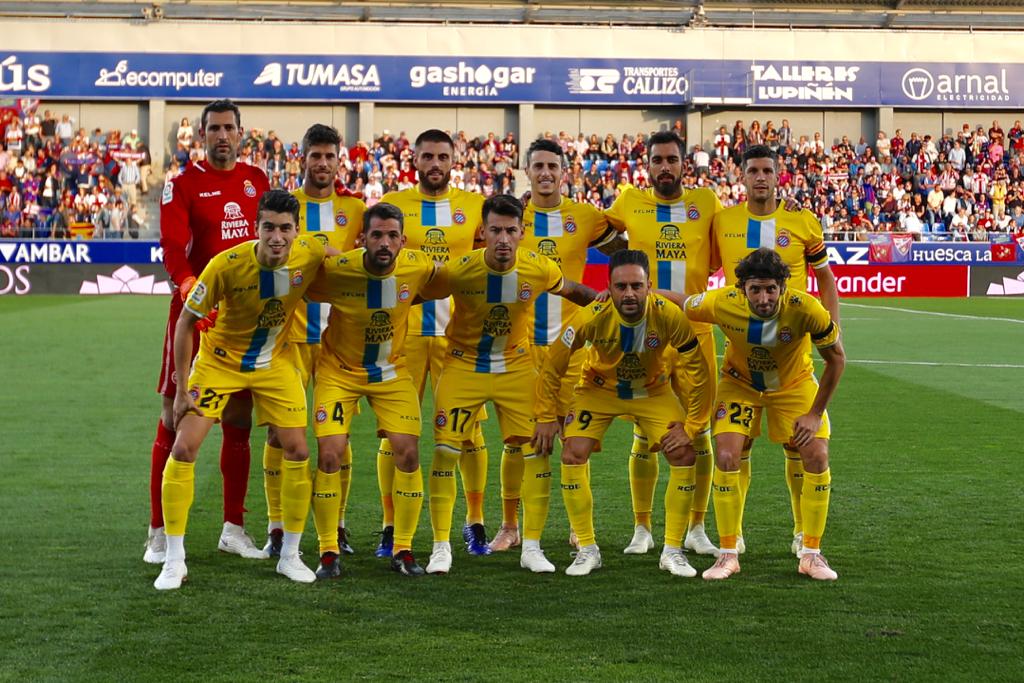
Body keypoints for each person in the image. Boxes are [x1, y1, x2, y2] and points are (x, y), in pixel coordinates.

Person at [153, 190, 328, 590]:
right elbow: (184, 322)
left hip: (274, 364)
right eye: (269, 227)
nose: (277, 237)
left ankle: (290, 556)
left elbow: (345, 260)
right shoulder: (226, 265)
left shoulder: (310, 254)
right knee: (184, 447)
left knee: (298, 450)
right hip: (219, 362)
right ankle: (175, 560)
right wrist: (180, 389)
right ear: (256, 228)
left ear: (297, 231)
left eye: (286, 228)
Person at [420, 194, 598, 574]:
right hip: (464, 366)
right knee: (446, 451)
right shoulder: (459, 270)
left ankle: (530, 545)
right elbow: (410, 293)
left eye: (511, 231)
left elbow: (575, 292)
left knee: (536, 450)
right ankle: (440, 547)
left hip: (516, 367)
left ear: (522, 233)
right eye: (495, 230)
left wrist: (609, 305)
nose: (503, 239)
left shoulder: (538, 267)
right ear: (482, 232)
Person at [533, 249, 712, 577]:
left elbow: (699, 373)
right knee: (572, 453)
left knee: (685, 452)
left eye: (636, 286)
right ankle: (587, 549)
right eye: (621, 286)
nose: (629, 293)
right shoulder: (590, 316)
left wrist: (692, 425)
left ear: (649, 286)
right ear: (608, 287)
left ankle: (672, 550)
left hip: (653, 391)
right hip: (599, 390)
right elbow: (552, 366)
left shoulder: (670, 316)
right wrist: (546, 415)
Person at [145, 99, 271, 566]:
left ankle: (233, 528)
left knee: (239, 421)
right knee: (175, 415)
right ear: (201, 135)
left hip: (245, 324)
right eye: (214, 128)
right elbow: (173, 250)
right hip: (195, 320)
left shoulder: (256, 180)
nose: (222, 135)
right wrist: (196, 295)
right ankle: (158, 531)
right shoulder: (181, 185)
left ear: (241, 133)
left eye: (229, 128)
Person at [488, 138, 624, 552]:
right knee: (519, 439)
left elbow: (623, 251)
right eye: (538, 166)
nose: (546, 173)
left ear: (565, 172)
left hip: (574, 347)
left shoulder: (585, 216)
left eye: (553, 166)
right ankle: (510, 525)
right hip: (520, 347)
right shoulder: (511, 217)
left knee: (572, 438)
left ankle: (575, 526)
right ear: (526, 171)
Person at [680, 247, 845, 581]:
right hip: (739, 384)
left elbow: (837, 359)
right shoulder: (723, 301)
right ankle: (728, 553)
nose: (764, 297)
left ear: (783, 287)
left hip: (793, 385)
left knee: (816, 454)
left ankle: (811, 553)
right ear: (743, 289)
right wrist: (644, 294)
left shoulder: (806, 308)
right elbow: (681, 301)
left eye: (771, 288)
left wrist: (814, 414)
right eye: (755, 289)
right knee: (726, 455)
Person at [711, 144, 839, 557]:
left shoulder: (802, 220)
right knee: (736, 447)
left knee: (799, 445)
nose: (761, 177)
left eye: (768, 170)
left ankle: (805, 533)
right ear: (742, 176)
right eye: (753, 170)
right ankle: (734, 536)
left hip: (792, 353)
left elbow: (825, 275)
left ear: (778, 174)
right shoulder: (723, 220)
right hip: (741, 355)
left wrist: (833, 327)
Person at [302, 202, 441, 578]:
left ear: (403, 240)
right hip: (338, 371)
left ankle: (404, 549)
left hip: (391, 373)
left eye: (392, 235)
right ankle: (328, 550)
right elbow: (296, 281)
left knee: (408, 454)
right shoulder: (337, 270)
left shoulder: (418, 265)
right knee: (330, 454)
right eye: (376, 235)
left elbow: (451, 281)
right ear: (361, 238)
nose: (384, 242)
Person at [605, 131, 721, 557]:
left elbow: (721, 253)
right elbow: (600, 234)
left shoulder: (707, 203)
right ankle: (642, 527)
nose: (665, 167)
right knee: (643, 431)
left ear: (684, 164)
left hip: (696, 334)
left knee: (700, 432)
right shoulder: (628, 202)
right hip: (646, 336)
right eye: (658, 160)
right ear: (647, 165)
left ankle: (696, 526)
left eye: (672, 160)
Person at [377, 129, 492, 557]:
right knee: (394, 434)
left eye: (443, 156)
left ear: (454, 160)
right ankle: (390, 527)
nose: (435, 164)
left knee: (469, 433)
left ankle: (475, 521)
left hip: (458, 337)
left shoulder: (474, 207)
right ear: (415, 160)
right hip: (401, 337)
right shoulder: (395, 204)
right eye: (427, 156)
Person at [260, 124, 366, 559]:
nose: (322, 163)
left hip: (338, 343)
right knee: (277, 436)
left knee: (336, 437)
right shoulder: (286, 208)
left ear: (339, 161)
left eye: (329, 156)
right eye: (314, 155)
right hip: (287, 340)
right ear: (300, 158)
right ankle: (277, 527)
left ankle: (336, 525)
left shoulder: (355, 210)